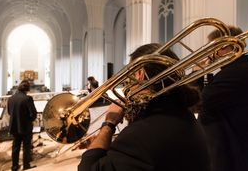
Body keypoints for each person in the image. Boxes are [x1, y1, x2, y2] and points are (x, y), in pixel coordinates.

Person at [78, 43, 210, 171]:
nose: (127, 81)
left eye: (129, 72)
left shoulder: (138, 137)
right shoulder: (184, 116)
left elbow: (87, 168)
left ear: (139, 74)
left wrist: (109, 124)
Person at [199, 26, 248, 171]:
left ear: (231, 47)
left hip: (234, 157)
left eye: (215, 48)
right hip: (240, 154)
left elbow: (199, 102)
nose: (211, 54)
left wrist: (197, 71)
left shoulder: (237, 72)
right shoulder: (244, 69)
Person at [8, 80, 37, 171]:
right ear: (27, 89)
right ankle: (26, 165)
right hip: (25, 126)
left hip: (14, 126)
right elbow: (33, 114)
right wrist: (30, 120)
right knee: (26, 146)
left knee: (15, 147)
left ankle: (14, 166)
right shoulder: (28, 98)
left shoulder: (11, 98)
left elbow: (9, 112)